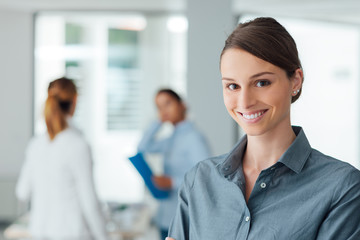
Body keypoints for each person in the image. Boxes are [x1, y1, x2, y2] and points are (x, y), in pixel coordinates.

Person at [166, 17, 360, 240]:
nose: (245, 101)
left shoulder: (342, 188)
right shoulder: (198, 180)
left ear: (295, 81)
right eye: (233, 86)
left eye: (261, 83)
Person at [16, 77, 108, 240]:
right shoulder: (78, 144)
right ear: (75, 100)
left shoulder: (36, 144)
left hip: (40, 231)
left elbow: (22, 192)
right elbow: (89, 202)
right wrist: (103, 237)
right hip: (71, 232)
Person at [137, 88, 211, 240]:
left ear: (182, 104)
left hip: (184, 219)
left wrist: (171, 182)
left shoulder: (193, 138)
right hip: (165, 217)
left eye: (168, 104)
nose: (164, 110)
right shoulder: (172, 137)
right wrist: (158, 122)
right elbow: (143, 148)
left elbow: (204, 176)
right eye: (159, 107)